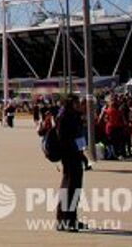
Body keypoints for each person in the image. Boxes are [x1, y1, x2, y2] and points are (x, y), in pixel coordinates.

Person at [55, 95, 86, 232]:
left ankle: (71, 219)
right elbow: (63, 139)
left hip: (76, 155)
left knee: (75, 188)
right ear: (71, 103)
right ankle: (65, 221)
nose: (79, 104)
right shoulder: (65, 117)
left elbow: (78, 136)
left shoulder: (74, 116)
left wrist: (82, 154)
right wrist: (74, 150)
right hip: (69, 156)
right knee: (70, 188)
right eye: (77, 102)